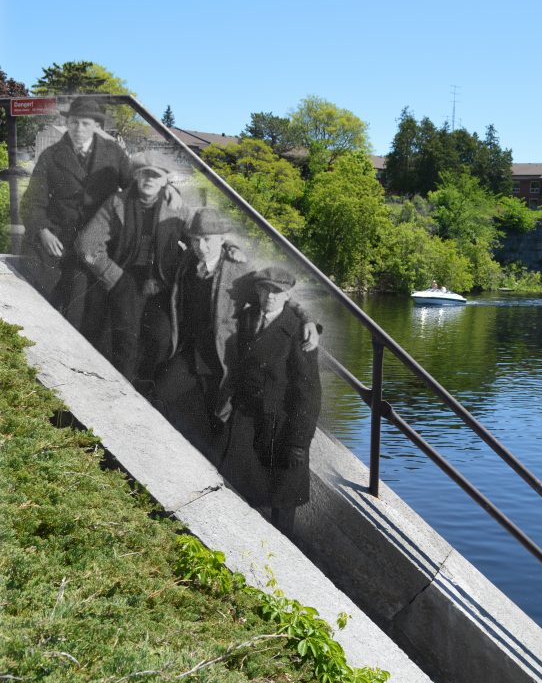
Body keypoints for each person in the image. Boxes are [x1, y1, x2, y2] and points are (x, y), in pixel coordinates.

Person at [155, 207, 319, 458]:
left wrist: (307, 318)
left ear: (221, 239)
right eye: (196, 240)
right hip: (188, 351)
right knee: (161, 395)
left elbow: (276, 293)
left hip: (219, 358)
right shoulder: (187, 261)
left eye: (208, 240)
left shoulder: (238, 270)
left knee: (212, 423)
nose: (202, 247)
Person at [219, 265, 321, 536]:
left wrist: (299, 442)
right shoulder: (249, 317)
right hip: (247, 418)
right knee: (242, 489)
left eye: (278, 291)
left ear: (288, 295)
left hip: (281, 428)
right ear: (258, 291)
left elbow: (308, 394)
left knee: (281, 501)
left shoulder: (299, 334)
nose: (270, 297)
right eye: (265, 289)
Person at [75, 151, 189, 391]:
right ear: (137, 176)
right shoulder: (117, 202)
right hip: (124, 278)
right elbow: (87, 243)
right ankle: (122, 392)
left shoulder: (176, 207)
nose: (149, 180)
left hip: (160, 282)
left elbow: (200, 233)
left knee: (161, 336)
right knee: (126, 339)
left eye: (155, 176)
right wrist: (113, 276)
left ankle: (145, 389)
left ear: (165, 181)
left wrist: (229, 247)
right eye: (145, 174)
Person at [20, 97, 131, 339]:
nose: (78, 129)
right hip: (58, 238)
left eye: (85, 124)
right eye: (73, 123)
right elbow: (32, 200)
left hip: (94, 242)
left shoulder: (113, 154)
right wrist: (43, 231)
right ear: (67, 123)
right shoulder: (51, 155)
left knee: (82, 309)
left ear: (96, 126)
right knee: (41, 296)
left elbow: (133, 188)